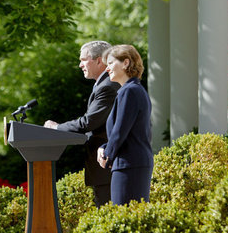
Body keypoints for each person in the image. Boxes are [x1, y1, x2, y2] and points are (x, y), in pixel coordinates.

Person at [44, 41, 120, 207]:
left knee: (109, 217)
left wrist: (55, 128)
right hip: (103, 166)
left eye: (84, 60)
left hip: (107, 165)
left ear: (99, 60)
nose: (80, 65)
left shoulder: (107, 86)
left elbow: (88, 122)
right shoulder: (103, 84)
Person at [97, 44, 153, 205]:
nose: (107, 69)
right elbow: (128, 131)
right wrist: (104, 147)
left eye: (110, 63)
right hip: (132, 163)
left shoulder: (129, 91)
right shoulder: (133, 90)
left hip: (129, 165)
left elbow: (120, 131)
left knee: (125, 217)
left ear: (126, 63)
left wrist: (106, 155)